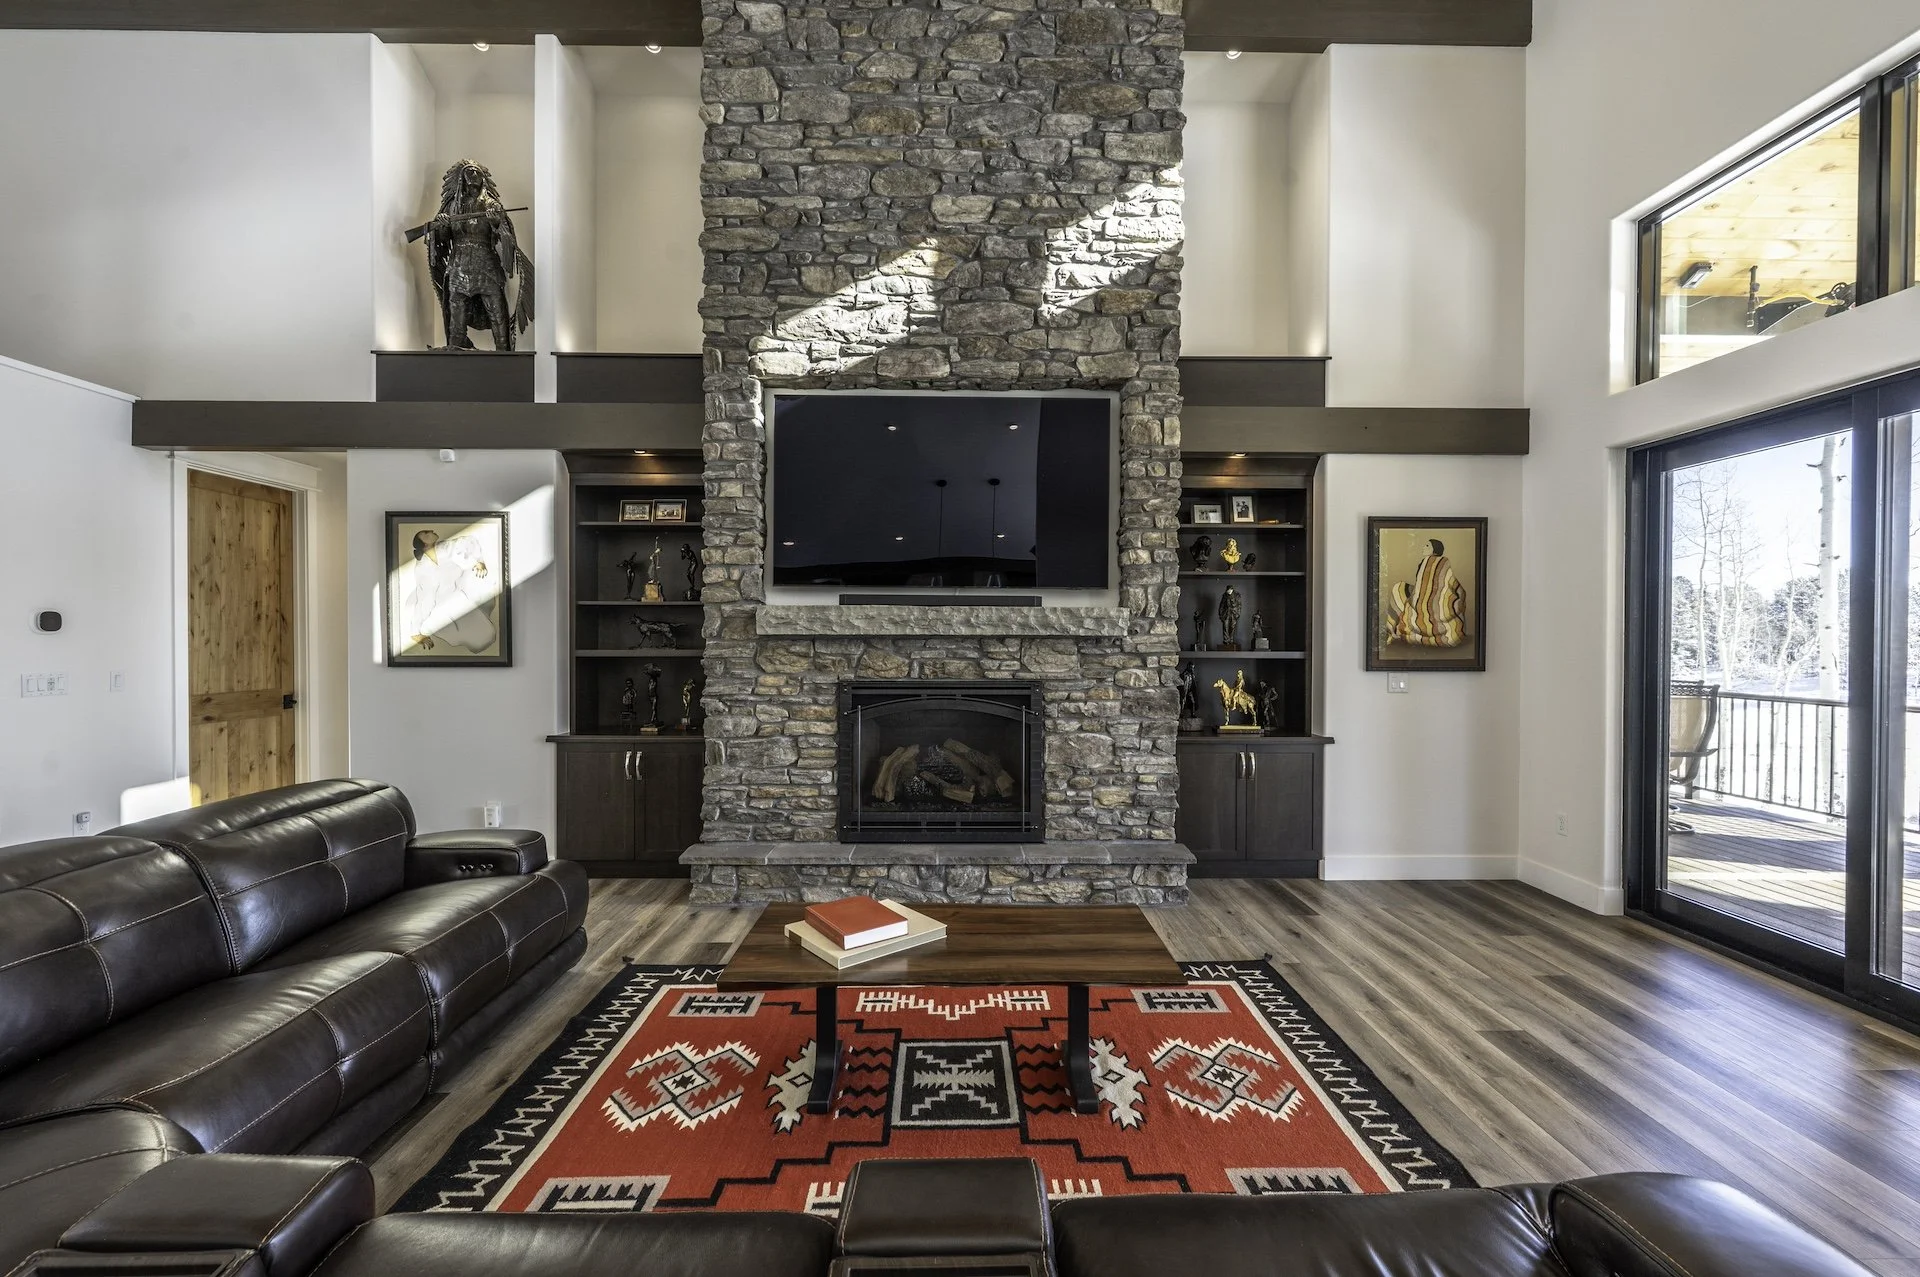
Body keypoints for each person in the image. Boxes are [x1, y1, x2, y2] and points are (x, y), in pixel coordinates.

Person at [402, 528, 499, 654]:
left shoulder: (446, 547)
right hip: (439, 606)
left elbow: (467, 543)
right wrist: (415, 632)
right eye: (426, 533)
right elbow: (425, 598)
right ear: (424, 544)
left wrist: (478, 561)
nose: (431, 530)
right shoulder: (422, 569)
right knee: (464, 636)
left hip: (459, 595)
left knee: (487, 633)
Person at [1387, 538, 1468, 648]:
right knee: (1399, 588)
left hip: (1433, 604)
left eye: (1427, 546)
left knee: (1399, 589)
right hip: (1422, 598)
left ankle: (1396, 630)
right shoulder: (1436, 563)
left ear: (1435, 550)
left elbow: (1442, 584)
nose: (1423, 547)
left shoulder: (1438, 563)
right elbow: (1422, 587)